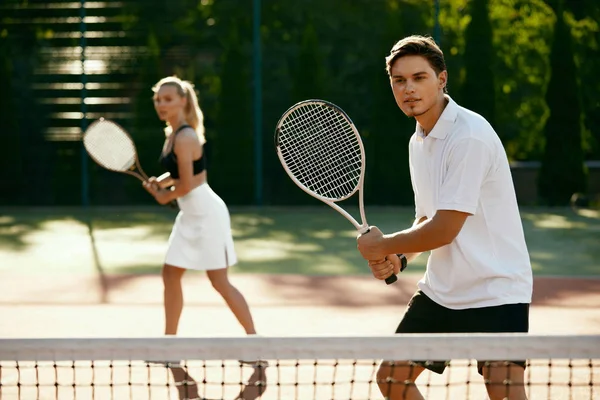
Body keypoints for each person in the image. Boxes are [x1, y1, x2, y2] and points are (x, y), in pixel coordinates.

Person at [356, 36, 533, 400]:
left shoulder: (469, 137)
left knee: (505, 395)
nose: (408, 89)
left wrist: (384, 244)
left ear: (441, 79)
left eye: (419, 78)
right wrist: (400, 257)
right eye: (399, 80)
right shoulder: (418, 139)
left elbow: (446, 229)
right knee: (393, 379)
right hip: (442, 292)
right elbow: (428, 217)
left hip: (496, 290)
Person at [143, 76, 258, 340]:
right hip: (189, 215)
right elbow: (178, 174)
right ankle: (169, 343)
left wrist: (164, 197)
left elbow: (190, 183)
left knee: (219, 281)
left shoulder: (185, 137)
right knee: (170, 274)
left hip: (207, 215)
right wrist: (159, 182)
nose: (162, 104)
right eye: (158, 100)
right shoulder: (172, 134)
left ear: (182, 101)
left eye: (168, 99)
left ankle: (254, 340)